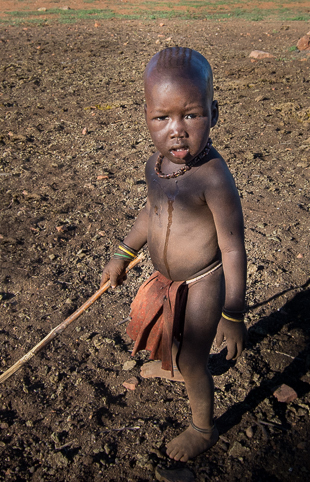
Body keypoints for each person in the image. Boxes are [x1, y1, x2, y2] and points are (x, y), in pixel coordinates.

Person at [101, 46, 248, 461]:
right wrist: (124, 253)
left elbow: (234, 248)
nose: (177, 130)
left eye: (192, 115)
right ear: (145, 117)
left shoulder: (214, 178)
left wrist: (233, 313)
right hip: (168, 281)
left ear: (214, 114)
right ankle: (174, 367)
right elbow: (151, 212)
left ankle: (204, 427)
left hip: (203, 281)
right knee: (169, 335)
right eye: (162, 117)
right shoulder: (156, 166)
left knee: (192, 356)